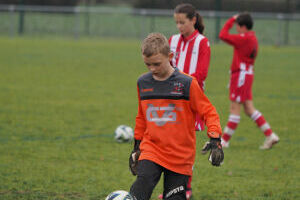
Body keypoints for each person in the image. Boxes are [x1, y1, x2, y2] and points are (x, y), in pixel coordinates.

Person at [128, 32, 224, 200]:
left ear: (170, 56)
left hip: (180, 155)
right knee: (140, 188)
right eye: (147, 64)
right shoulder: (143, 83)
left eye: (157, 64)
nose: (152, 69)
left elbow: (209, 111)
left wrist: (216, 140)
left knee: (175, 197)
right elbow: (141, 117)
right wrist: (137, 147)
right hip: (152, 149)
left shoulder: (187, 83)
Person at [167, 4, 211, 198]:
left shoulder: (202, 43)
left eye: (182, 22)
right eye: (176, 22)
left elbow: (201, 74)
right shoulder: (172, 40)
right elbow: (166, 67)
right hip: (170, 100)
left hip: (190, 99)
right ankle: (173, 189)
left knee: (185, 146)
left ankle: (186, 188)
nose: (179, 26)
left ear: (193, 20)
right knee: (168, 145)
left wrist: (179, 84)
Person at [219, 12, 279, 149]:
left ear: (243, 26)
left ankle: (224, 141)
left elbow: (222, 35)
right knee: (249, 109)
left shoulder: (243, 38)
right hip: (247, 74)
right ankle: (270, 135)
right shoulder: (252, 38)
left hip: (240, 75)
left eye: (237, 26)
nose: (236, 28)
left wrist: (232, 19)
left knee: (235, 109)